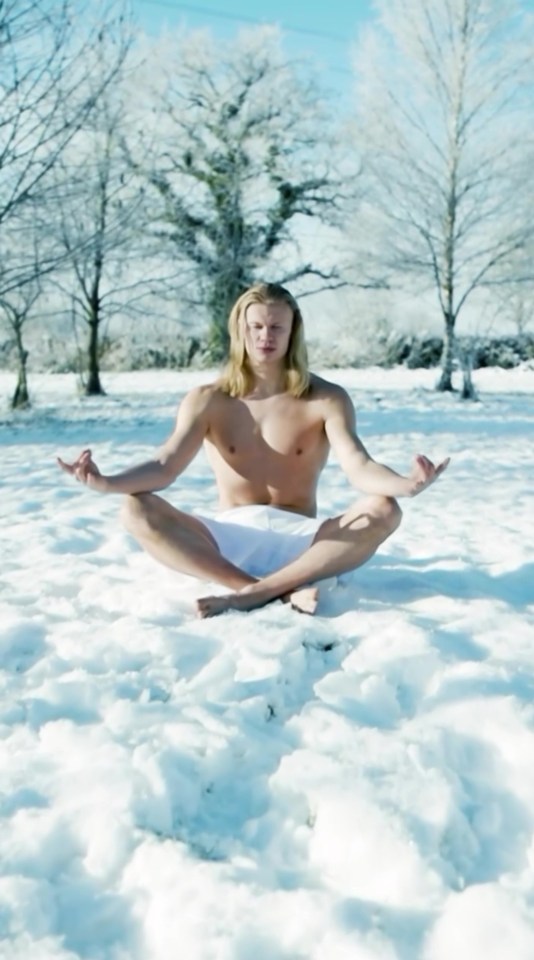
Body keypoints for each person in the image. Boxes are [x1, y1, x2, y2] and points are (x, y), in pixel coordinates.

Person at [58, 282, 449, 618]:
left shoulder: (326, 398)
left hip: (306, 542)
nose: (266, 336)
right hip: (227, 538)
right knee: (135, 508)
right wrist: (105, 482)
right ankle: (260, 589)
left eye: (277, 326)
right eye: (257, 326)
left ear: (293, 331)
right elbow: (165, 465)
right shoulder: (208, 399)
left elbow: (358, 465)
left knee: (384, 509)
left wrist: (405, 484)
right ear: (240, 331)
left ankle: (261, 592)